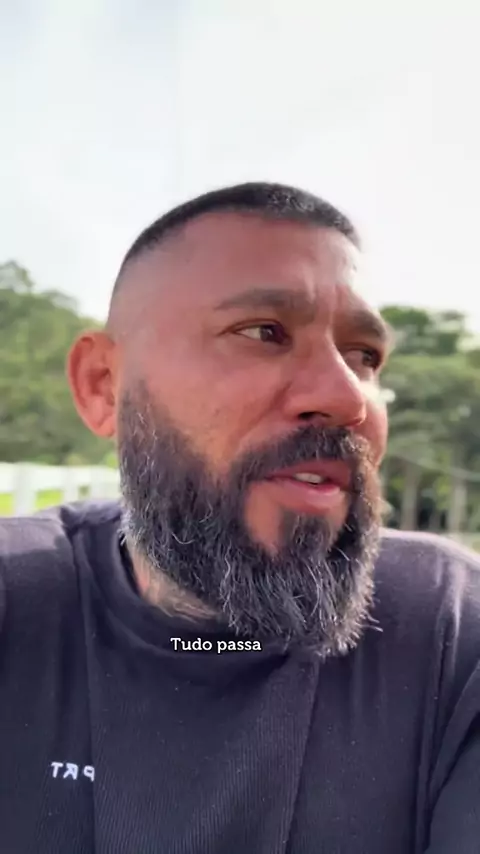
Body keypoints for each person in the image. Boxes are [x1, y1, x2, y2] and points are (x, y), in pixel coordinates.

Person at [1, 182, 479, 854]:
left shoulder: (454, 637)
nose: (347, 397)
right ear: (103, 385)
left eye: (364, 356)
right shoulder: (15, 603)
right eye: (263, 332)